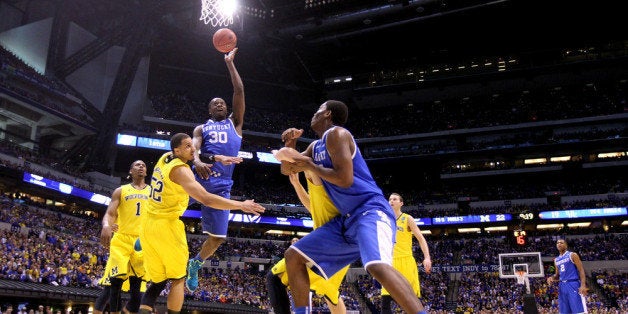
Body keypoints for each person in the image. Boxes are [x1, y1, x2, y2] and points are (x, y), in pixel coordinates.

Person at [276, 100, 426, 314]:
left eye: (317, 111)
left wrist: (310, 165)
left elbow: (344, 179)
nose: (313, 115)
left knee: (375, 265)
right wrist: (289, 146)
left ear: (327, 114)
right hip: (347, 220)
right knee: (293, 256)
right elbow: (287, 169)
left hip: (371, 210)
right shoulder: (316, 146)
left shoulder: (338, 134)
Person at [138, 133, 265, 314]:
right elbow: (206, 199)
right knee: (178, 279)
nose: (193, 149)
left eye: (192, 145)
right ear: (177, 150)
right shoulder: (181, 171)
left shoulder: (165, 158)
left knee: (158, 281)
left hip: (147, 225)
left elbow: (195, 155)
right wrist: (241, 205)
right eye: (188, 146)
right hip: (166, 226)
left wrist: (216, 158)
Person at [186, 47, 246, 292]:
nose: (221, 104)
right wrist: (197, 161)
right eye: (215, 104)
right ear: (210, 110)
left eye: (222, 103)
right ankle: (140, 236)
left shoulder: (236, 123)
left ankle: (195, 263)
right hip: (198, 180)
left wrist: (230, 63)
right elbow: (194, 147)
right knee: (165, 207)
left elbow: (239, 90)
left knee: (219, 238)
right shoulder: (202, 128)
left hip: (221, 186)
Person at [266, 170, 348, 314]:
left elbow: (312, 174)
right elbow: (312, 207)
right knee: (330, 293)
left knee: (274, 277)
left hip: (326, 246)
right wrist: (297, 184)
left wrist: (303, 162)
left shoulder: (324, 184)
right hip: (342, 252)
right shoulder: (342, 197)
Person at [99, 160, 150, 314]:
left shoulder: (153, 192)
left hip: (142, 242)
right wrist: (106, 226)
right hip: (122, 239)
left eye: (143, 165)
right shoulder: (120, 190)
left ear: (146, 172)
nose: (141, 166)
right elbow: (110, 213)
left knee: (137, 292)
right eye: (137, 165)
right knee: (115, 282)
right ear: (130, 171)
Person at [380, 192, 432, 314]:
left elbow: (421, 239)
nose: (391, 201)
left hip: (406, 262)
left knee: (412, 301)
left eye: (395, 199)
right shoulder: (384, 219)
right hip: (390, 263)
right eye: (390, 199)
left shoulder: (407, 218)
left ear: (401, 203)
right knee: (385, 301)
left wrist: (427, 257)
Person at [547, 238, 588, 314]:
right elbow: (557, 275)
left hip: (573, 284)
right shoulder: (556, 260)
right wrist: (552, 278)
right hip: (562, 286)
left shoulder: (572, 255)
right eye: (557, 243)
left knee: (579, 311)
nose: (559, 244)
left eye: (561, 243)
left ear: (566, 245)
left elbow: (581, 270)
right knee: (565, 311)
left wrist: (583, 285)